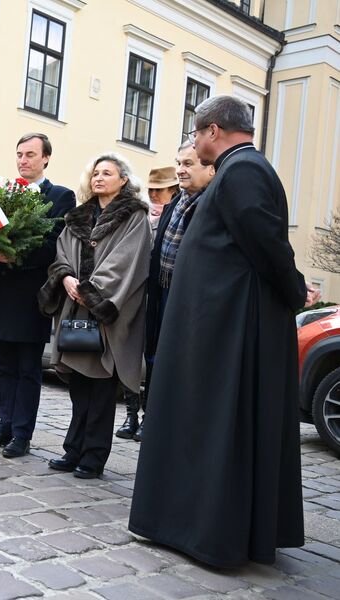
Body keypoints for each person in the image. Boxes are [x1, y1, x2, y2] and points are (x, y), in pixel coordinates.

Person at [129, 95, 321, 567]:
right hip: (217, 321)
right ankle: (187, 523)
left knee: (218, 425)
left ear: (214, 130)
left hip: (229, 327)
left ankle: (210, 532)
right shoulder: (239, 170)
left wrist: (295, 289)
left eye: (196, 133)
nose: (194, 142)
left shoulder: (244, 171)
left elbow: (266, 244)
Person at [38, 153, 152, 478]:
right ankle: (72, 450)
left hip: (107, 314)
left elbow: (126, 262)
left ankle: (93, 456)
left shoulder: (135, 217)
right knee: (78, 387)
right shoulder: (79, 216)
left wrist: (91, 291)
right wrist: (66, 278)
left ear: (124, 180)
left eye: (107, 173)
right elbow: (61, 252)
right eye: (95, 173)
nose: (99, 178)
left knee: (101, 388)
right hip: (76, 310)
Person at [0, 133, 76, 458]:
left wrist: (12, 256)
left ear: (46, 158)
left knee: (28, 368)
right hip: (0, 292)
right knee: (3, 364)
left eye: (30, 154)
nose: (23, 160)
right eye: (19, 154)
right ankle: (3, 424)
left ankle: (21, 433)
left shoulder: (60, 196)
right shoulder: (1, 193)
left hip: (31, 295)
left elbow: (52, 245)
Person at [116, 142, 215, 441]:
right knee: (150, 355)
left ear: (209, 168)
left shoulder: (208, 203)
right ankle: (140, 415)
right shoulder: (175, 205)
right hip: (157, 291)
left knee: (170, 361)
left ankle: (157, 419)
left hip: (186, 296)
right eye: (179, 163)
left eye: (188, 164)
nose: (182, 170)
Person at [144, 166, 179, 230]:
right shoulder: (141, 211)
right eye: (150, 189)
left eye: (158, 189)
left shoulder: (177, 216)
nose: (153, 194)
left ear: (172, 190)